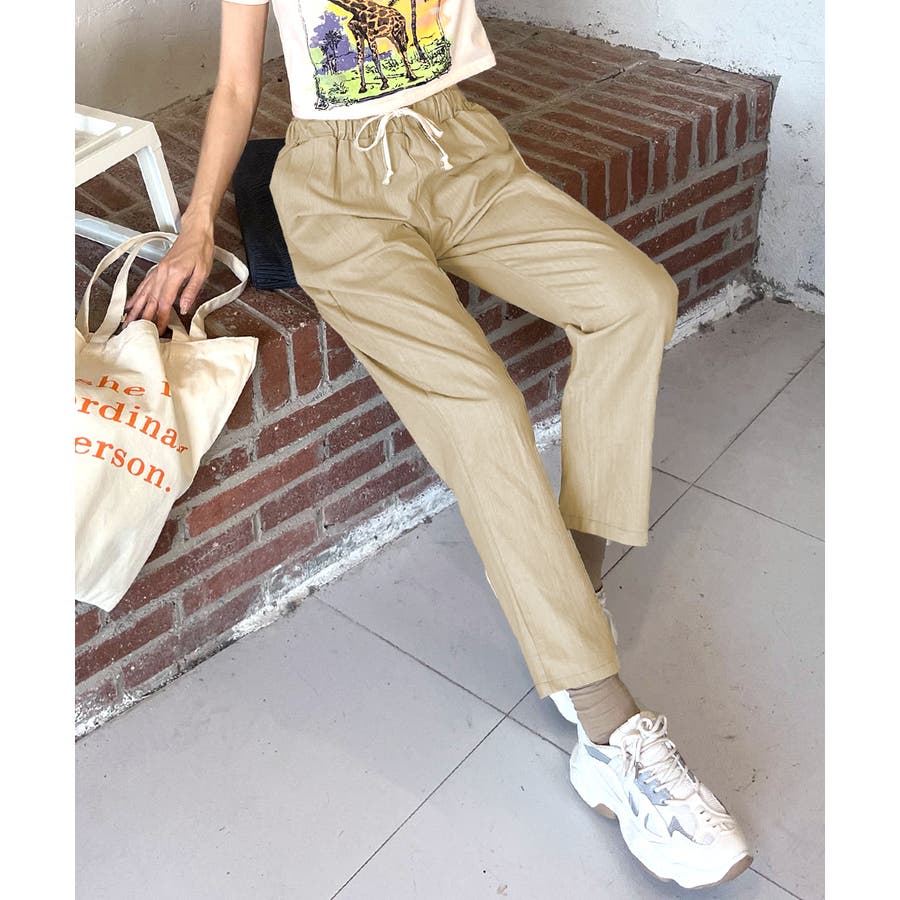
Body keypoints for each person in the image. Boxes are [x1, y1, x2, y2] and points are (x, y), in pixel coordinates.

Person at [123, 1, 753, 889]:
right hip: (337, 192)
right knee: (481, 407)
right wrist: (195, 227)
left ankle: (572, 590)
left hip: (458, 149)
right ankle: (608, 733)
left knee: (633, 300)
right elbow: (234, 85)